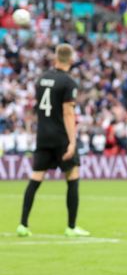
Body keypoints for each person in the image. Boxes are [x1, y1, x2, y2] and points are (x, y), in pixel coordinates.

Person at [17, 44, 89, 238]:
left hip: (43, 135)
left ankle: (23, 224)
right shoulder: (68, 82)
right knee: (72, 176)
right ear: (71, 59)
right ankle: (71, 227)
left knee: (35, 178)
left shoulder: (42, 79)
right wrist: (72, 142)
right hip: (60, 137)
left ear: (56, 57)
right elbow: (68, 112)